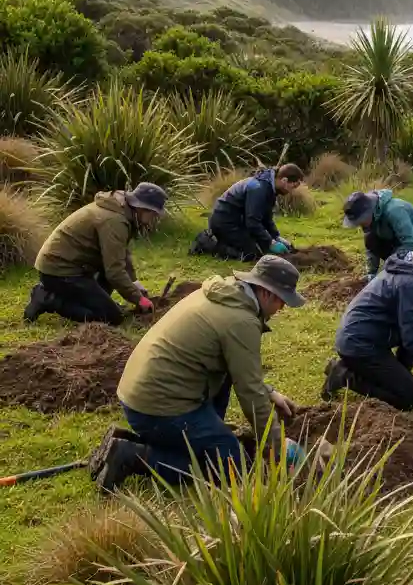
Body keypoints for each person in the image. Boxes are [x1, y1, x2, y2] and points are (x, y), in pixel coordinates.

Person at [91, 255, 305, 493]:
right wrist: (277, 449)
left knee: (222, 406)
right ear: (266, 293)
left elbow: (240, 370)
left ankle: (184, 439)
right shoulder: (240, 321)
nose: (282, 308)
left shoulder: (224, 294)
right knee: (230, 463)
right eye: (282, 301)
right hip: (157, 408)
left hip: (143, 393)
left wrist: (270, 392)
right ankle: (132, 456)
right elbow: (250, 394)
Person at [324, 238, 413, 411]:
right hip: (360, 344)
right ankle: (343, 374)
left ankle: (400, 376)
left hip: (375, 332)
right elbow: (412, 340)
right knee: (412, 400)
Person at [26, 183, 167, 325]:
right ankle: (47, 298)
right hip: (60, 271)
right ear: (143, 208)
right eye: (154, 214)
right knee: (110, 318)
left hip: (77, 266)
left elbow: (120, 254)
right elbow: (114, 271)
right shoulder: (114, 221)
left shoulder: (121, 209)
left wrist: (134, 283)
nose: (154, 218)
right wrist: (138, 299)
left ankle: (97, 303)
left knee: (106, 305)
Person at [199, 164, 304, 261]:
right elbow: (253, 222)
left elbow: (266, 218)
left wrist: (276, 237)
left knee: (264, 248)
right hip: (225, 222)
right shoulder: (258, 188)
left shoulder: (269, 187)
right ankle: (211, 244)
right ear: (284, 180)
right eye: (293, 186)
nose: (292, 191)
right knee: (251, 254)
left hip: (239, 221)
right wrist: (270, 242)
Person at [342, 188, 413, 281]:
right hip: (399, 240)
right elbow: (371, 248)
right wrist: (371, 273)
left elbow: (410, 243)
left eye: (361, 221)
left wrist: (389, 266)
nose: (360, 225)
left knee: (403, 277)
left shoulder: (394, 210)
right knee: (370, 238)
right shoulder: (373, 218)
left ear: (369, 211)